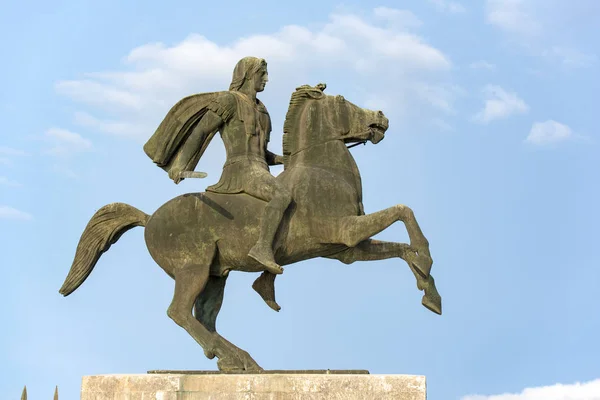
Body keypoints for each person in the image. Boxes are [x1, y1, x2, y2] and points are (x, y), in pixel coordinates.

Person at [144, 57, 290, 275]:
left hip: (260, 169)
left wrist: (285, 159)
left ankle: (267, 277)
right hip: (241, 171)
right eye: (262, 74)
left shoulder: (263, 110)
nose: (266, 79)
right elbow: (202, 131)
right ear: (248, 75)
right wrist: (181, 164)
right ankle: (261, 249)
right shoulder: (229, 101)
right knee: (282, 196)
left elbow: (261, 153)